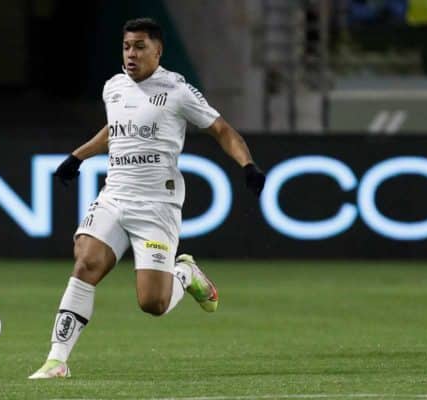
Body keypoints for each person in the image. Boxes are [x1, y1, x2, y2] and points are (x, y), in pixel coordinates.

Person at [29, 17, 266, 379]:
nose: (131, 54)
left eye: (140, 47)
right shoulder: (113, 87)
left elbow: (221, 129)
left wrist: (247, 164)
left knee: (153, 303)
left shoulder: (177, 90)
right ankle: (56, 360)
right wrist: (77, 157)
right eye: (127, 46)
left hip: (157, 206)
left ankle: (184, 274)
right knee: (86, 262)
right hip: (114, 196)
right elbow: (117, 129)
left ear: (158, 51)